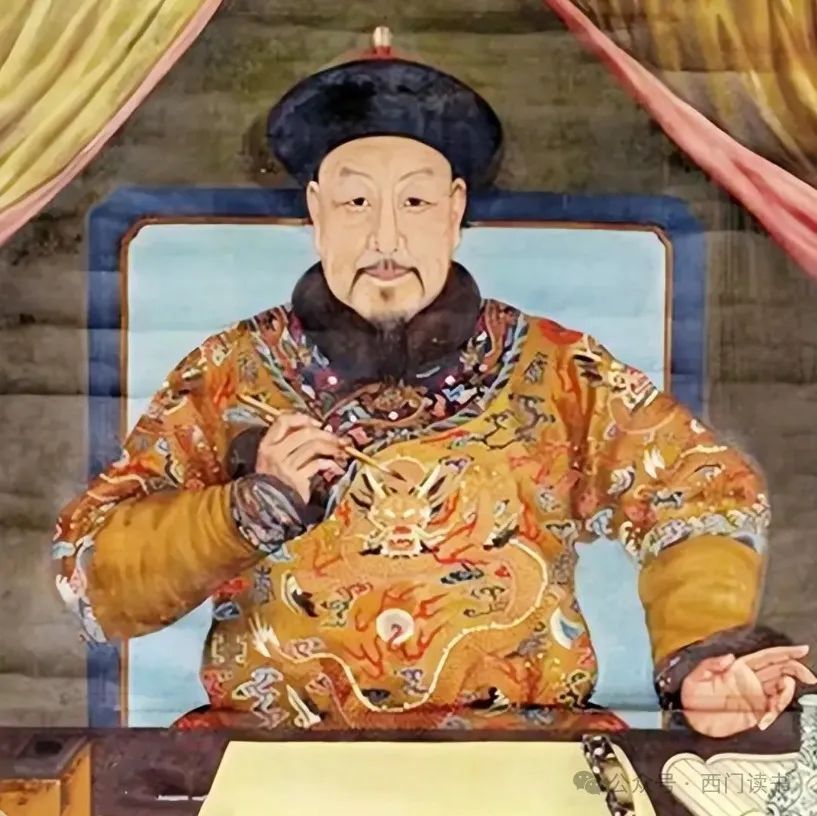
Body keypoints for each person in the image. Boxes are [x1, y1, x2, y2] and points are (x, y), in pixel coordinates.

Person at [54, 28, 815, 735]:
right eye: (355, 202)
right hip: (278, 756)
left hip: (519, 756)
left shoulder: (556, 368)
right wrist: (244, 510)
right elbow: (90, 571)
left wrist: (698, 657)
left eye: (415, 202)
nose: (385, 237)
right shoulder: (230, 372)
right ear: (316, 212)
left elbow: (700, 492)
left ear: (455, 211)